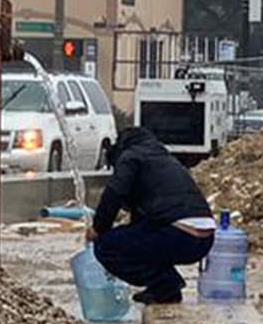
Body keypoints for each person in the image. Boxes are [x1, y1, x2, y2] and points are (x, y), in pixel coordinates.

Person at [86, 127, 216, 304]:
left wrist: (98, 229)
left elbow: (113, 194)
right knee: (138, 240)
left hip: (179, 235)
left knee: (106, 246)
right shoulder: (164, 158)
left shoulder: (130, 156)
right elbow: (142, 225)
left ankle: (165, 284)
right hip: (204, 240)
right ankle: (166, 290)